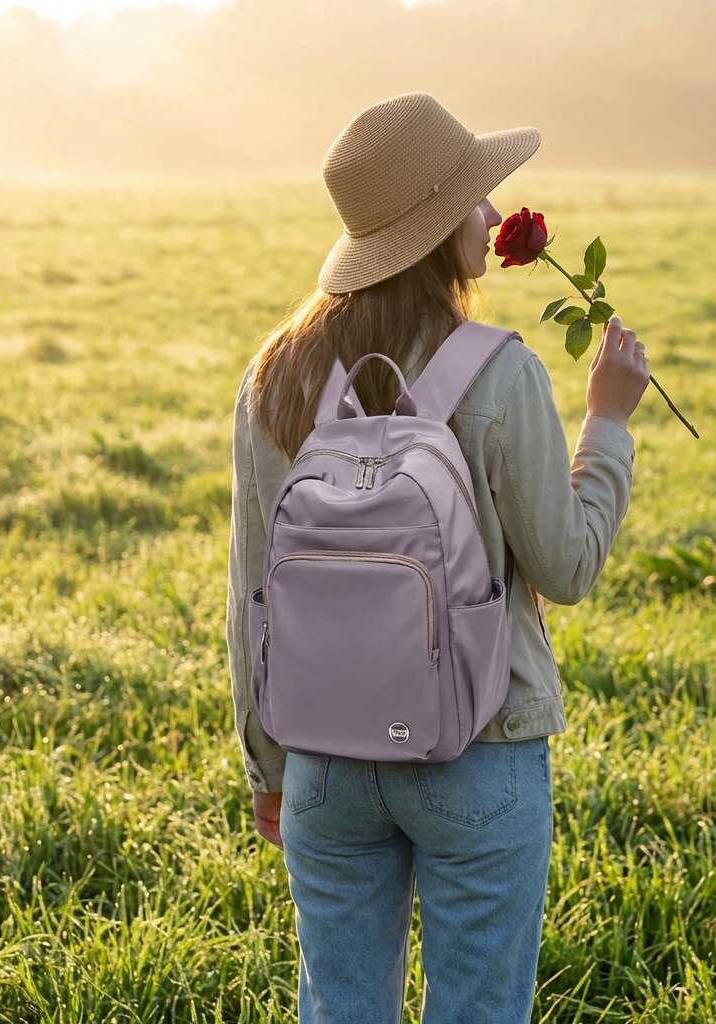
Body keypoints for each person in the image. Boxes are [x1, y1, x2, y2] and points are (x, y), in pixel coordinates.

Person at [226, 91, 650, 1024]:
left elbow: (253, 596)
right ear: (429, 228)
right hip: (477, 744)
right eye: (475, 197)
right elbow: (567, 568)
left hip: (323, 759)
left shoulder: (273, 375)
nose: (496, 216)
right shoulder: (498, 371)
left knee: (339, 1009)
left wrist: (270, 773)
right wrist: (608, 428)